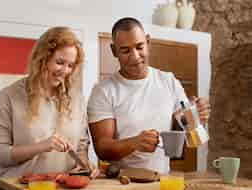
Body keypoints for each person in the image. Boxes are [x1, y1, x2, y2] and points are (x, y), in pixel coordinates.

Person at [87, 17, 210, 173]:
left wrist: (197, 115)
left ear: (148, 42)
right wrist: (134, 143)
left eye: (139, 47)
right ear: (113, 51)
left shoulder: (169, 81)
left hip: (162, 179)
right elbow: (102, 149)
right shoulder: (103, 91)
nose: (135, 56)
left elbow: (188, 134)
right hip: (122, 182)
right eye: (125, 50)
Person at [0, 27, 99, 187]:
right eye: (60, 62)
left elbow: (81, 145)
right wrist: (40, 147)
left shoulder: (76, 99)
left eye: (70, 65)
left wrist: (84, 163)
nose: (65, 71)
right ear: (41, 59)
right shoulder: (8, 97)